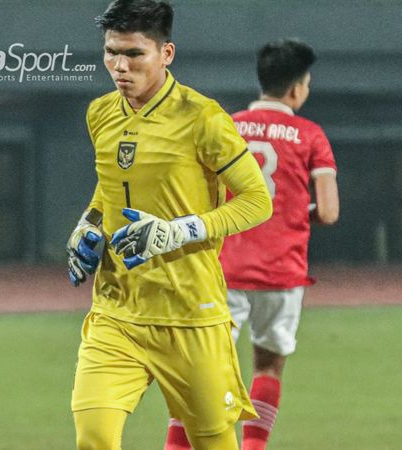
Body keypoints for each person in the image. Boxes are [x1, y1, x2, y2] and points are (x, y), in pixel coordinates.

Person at [66, 1, 274, 448]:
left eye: (134, 54)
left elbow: (258, 201)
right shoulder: (100, 113)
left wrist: (181, 230)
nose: (119, 66)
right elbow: (109, 191)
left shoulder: (202, 118)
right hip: (116, 312)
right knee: (94, 437)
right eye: (110, 52)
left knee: (213, 442)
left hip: (189, 313)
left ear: (167, 54)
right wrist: (87, 225)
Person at [163, 39, 339, 450]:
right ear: (296, 89)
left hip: (220, 270)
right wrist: (297, 213)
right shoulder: (310, 136)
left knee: (201, 368)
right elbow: (328, 211)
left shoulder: (226, 125)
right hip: (281, 273)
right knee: (268, 367)